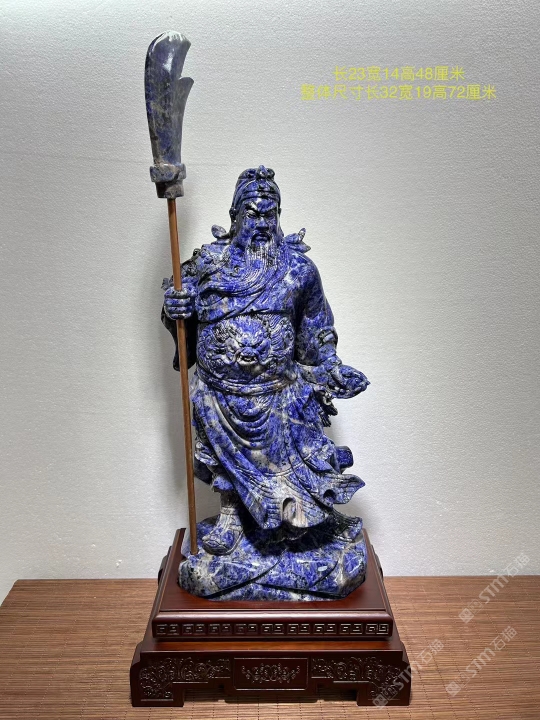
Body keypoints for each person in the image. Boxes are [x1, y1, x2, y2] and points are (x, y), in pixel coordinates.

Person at [162, 166, 369, 558]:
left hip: (278, 395)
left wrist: (332, 367)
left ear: (279, 216)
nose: (261, 223)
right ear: (235, 216)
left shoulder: (298, 271)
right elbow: (180, 308)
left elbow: (317, 332)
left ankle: (293, 525)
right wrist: (177, 310)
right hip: (218, 395)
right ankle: (231, 517)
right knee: (221, 457)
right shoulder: (207, 266)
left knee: (294, 482)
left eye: (269, 214)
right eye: (252, 214)